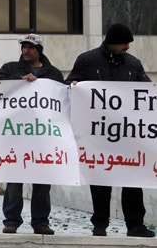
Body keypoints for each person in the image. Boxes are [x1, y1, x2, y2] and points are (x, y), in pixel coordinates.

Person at [66, 23, 155, 238]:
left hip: (127, 135)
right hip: (98, 134)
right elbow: (68, 85)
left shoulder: (133, 64)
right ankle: (100, 225)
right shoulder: (87, 60)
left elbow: (146, 91)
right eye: (124, 43)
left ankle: (135, 225)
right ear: (111, 42)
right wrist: (73, 86)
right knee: (100, 182)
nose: (127, 47)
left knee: (133, 181)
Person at [0, 33, 63, 235]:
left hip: (43, 137)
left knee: (42, 182)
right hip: (16, 135)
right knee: (14, 181)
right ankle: (11, 221)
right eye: (24, 46)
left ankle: (41, 222)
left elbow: (63, 97)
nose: (26, 50)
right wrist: (20, 81)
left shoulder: (53, 73)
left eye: (30, 47)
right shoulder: (10, 69)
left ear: (39, 50)